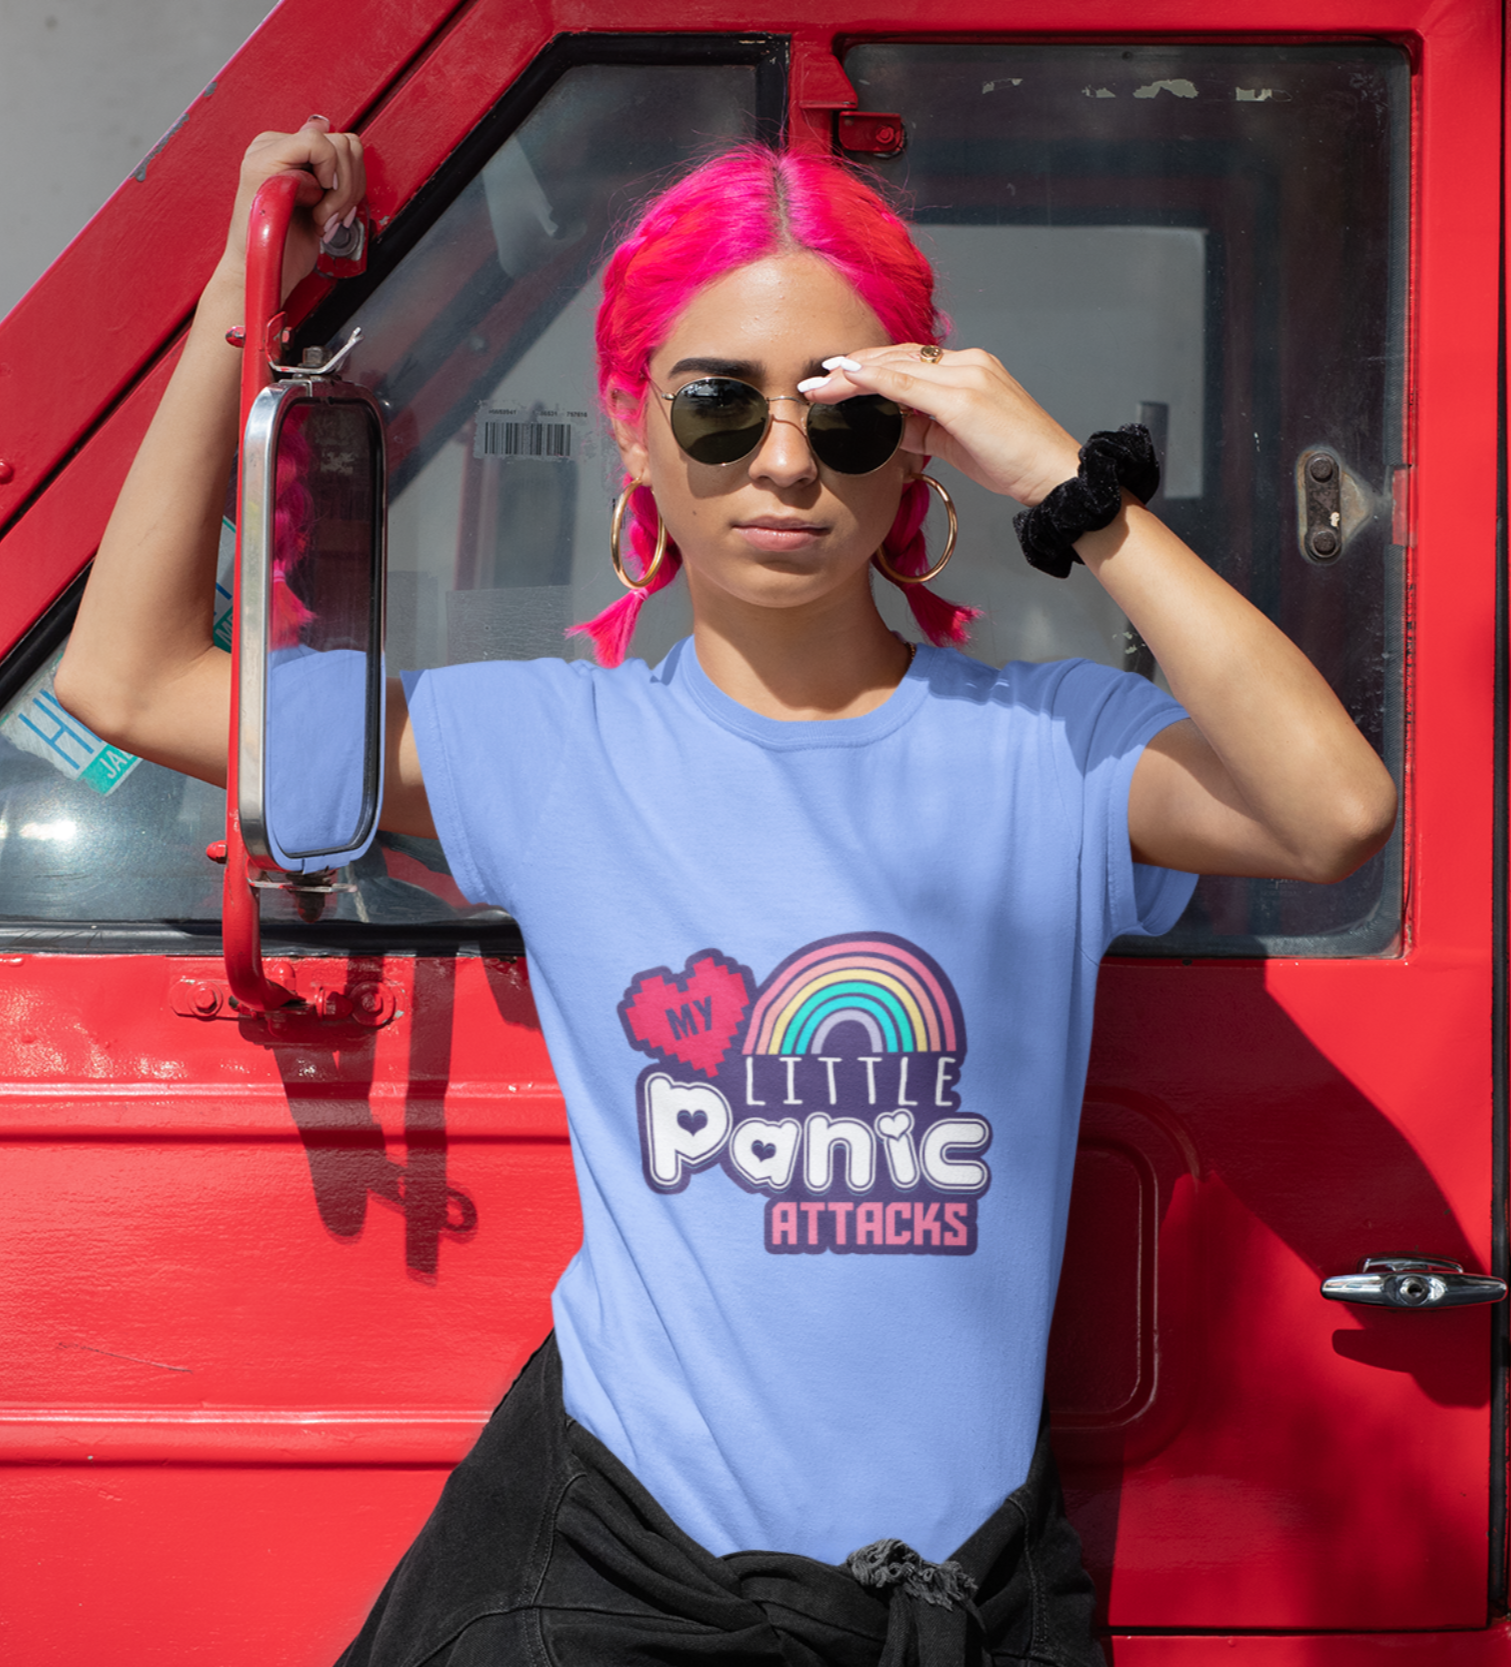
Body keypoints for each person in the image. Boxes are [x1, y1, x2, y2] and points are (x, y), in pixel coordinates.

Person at [56, 119, 1397, 1666]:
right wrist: (251, 289)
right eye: (718, 406)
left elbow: (1335, 812)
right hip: (628, 1588)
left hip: (958, 1608)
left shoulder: (1052, 750)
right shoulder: (548, 747)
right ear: (629, 428)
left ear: (915, 443)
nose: (781, 462)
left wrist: (1061, 480)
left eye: (842, 416)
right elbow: (126, 672)